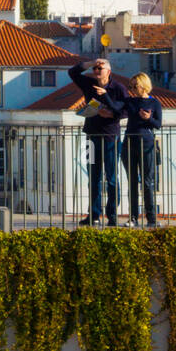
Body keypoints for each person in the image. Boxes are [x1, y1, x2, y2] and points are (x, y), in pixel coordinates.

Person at [69, 58, 126, 226]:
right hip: (92, 136)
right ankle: (93, 215)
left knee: (112, 178)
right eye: (94, 68)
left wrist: (111, 112)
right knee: (93, 177)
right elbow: (72, 72)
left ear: (108, 71)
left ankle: (112, 215)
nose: (96, 71)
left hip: (110, 137)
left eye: (99, 68)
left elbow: (125, 110)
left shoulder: (118, 88)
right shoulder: (89, 84)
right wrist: (90, 62)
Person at [120, 72, 162, 227]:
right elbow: (116, 107)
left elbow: (158, 124)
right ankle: (133, 218)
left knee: (147, 182)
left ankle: (151, 219)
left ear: (143, 85)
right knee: (132, 182)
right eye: (130, 86)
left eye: (134, 86)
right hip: (129, 143)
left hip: (147, 144)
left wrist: (148, 119)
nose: (131, 89)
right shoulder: (130, 101)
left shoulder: (154, 103)